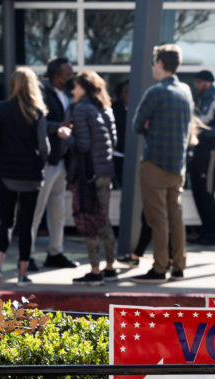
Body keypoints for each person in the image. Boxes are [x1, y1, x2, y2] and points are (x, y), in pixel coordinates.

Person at [130, 44, 193, 282]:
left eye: (153, 63)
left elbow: (137, 124)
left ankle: (158, 268)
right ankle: (178, 266)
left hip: (155, 163)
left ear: (159, 64)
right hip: (178, 165)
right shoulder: (186, 90)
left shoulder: (155, 92)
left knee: (158, 219)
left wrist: (149, 125)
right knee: (175, 217)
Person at [0, 67, 50, 286]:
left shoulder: (1, 109)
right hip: (31, 174)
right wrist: (40, 163)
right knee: (26, 224)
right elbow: (43, 147)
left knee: (6, 221)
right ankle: (23, 273)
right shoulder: (37, 113)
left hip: (6, 172)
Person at [60, 70, 118, 286]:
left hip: (88, 176)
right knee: (104, 220)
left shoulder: (82, 109)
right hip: (105, 172)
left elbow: (83, 145)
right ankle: (110, 268)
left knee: (89, 220)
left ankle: (95, 272)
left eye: (75, 86)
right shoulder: (106, 109)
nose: (72, 91)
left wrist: (67, 136)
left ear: (84, 88)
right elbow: (113, 141)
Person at [28, 57, 78, 271]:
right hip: (45, 160)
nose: (72, 77)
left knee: (58, 211)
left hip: (62, 160)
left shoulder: (66, 93)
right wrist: (58, 127)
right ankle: (26, 255)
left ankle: (55, 252)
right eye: (68, 74)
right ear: (57, 77)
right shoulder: (41, 93)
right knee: (36, 210)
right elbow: (35, 122)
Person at [188, 69, 215, 246]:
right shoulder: (201, 100)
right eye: (195, 82)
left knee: (207, 192)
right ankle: (205, 232)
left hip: (211, 153)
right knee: (198, 192)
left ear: (208, 83)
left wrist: (201, 133)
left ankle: (214, 234)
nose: (196, 85)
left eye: (199, 82)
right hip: (198, 153)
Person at [112, 79, 129, 187]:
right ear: (120, 93)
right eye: (126, 91)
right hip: (119, 155)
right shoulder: (114, 110)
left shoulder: (140, 108)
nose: (129, 94)